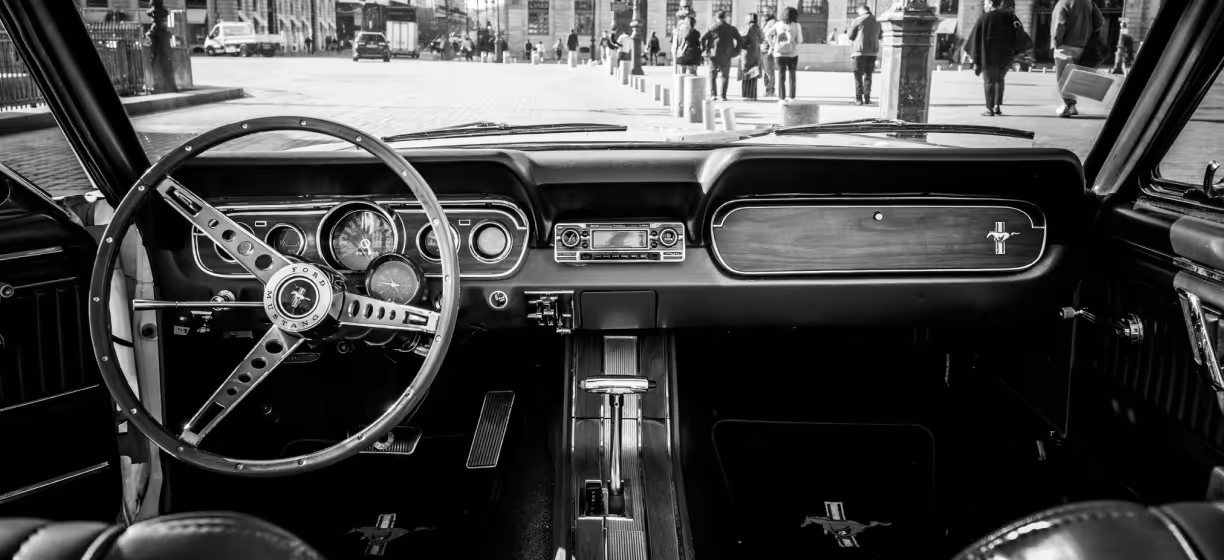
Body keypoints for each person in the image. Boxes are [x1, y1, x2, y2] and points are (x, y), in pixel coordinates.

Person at [966, 0, 1028, 116]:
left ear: (990, 3)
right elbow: (1020, 32)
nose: (984, 6)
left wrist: (976, 58)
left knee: (989, 81)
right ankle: (997, 107)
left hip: (988, 56)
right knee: (999, 80)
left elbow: (975, 38)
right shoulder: (1011, 17)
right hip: (1006, 55)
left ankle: (989, 109)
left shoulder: (984, 18)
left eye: (985, 3)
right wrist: (1016, 51)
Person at [1050, 0, 1104, 117]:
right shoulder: (1089, 2)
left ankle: (1068, 106)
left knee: (1063, 76)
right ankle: (1071, 105)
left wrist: (1056, 43)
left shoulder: (1063, 3)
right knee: (1073, 76)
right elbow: (1099, 22)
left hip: (1065, 44)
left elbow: (1059, 25)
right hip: (1083, 45)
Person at [702, 10, 743, 101]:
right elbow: (740, 40)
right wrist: (736, 51)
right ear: (725, 17)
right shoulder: (731, 28)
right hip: (726, 55)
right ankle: (723, 95)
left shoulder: (712, 27)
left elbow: (702, 38)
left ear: (716, 17)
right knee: (725, 76)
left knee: (712, 75)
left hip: (714, 55)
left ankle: (713, 95)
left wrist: (705, 50)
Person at [765, 6, 802, 102]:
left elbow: (767, 34)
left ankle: (782, 98)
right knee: (792, 75)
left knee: (781, 76)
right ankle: (792, 97)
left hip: (779, 54)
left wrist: (772, 45)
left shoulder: (778, 24)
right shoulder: (796, 25)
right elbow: (800, 40)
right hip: (793, 54)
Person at [847, 4, 882, 105]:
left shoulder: (858, 20)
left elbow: (850, 36)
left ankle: (858, 99)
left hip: (859, 52)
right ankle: (867, 98)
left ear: (861, 11)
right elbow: (880, 35)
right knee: (868, 75)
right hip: (872, 53)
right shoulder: (877, 21)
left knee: (858, 76)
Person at [739, 13, 765, 101]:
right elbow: (762, 39)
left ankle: (746, 95)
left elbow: (741, 40)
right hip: (757, 53)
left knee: (746, 74)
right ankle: (753, 95)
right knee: (754, 75)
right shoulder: (759, 28)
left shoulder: (747, 27)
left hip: (747, 53)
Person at [760, 13, 777, 97]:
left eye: (766, 13)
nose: (763, 15)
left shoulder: (773, 22)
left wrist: (772, 47)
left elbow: (775, 36)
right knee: (766, 71)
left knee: (769, 71)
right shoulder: (766, 23)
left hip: (767, 50)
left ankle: (771, 90)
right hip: (763, 49)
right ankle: (767, 89)